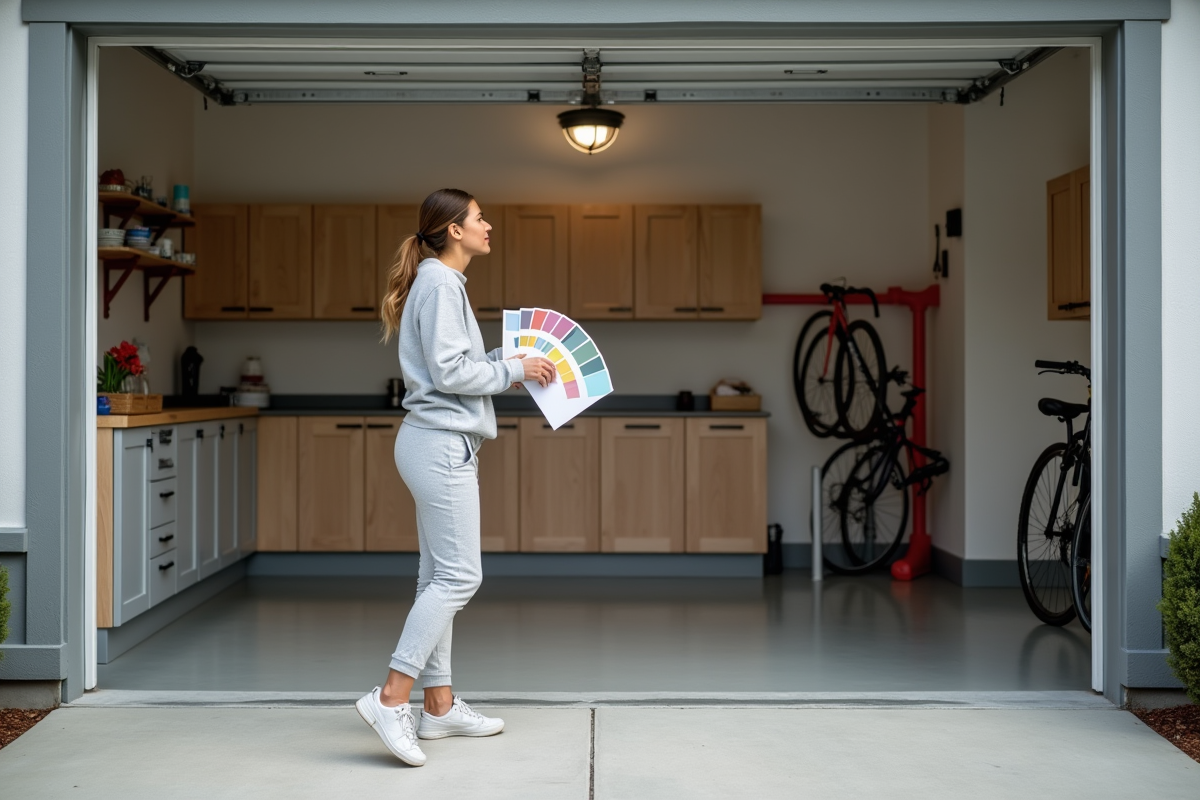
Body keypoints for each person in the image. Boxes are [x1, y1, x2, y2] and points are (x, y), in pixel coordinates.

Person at [356, 188, 556, 766]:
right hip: (440, 446)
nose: (488, 225)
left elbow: (456, 366)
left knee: (435, 579)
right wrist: (511, 367)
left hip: (437, 443)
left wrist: (504, 370)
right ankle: (392, 696)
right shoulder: (441, 283)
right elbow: (447, 370)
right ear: (451, 231)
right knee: (461, 577)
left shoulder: (438, 283)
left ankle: (438, 707)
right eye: (478, 219)